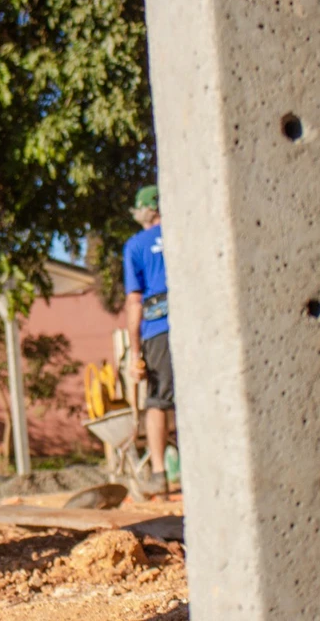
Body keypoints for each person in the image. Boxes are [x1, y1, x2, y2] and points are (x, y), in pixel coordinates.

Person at [123, 185, 176, 497]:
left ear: (145, 211)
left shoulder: (136, 245)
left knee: (158, 401)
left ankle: (158, 475)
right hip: (195, 322)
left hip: (158, 327)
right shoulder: (184, 232)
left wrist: (135, 353)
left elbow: (134, 301)